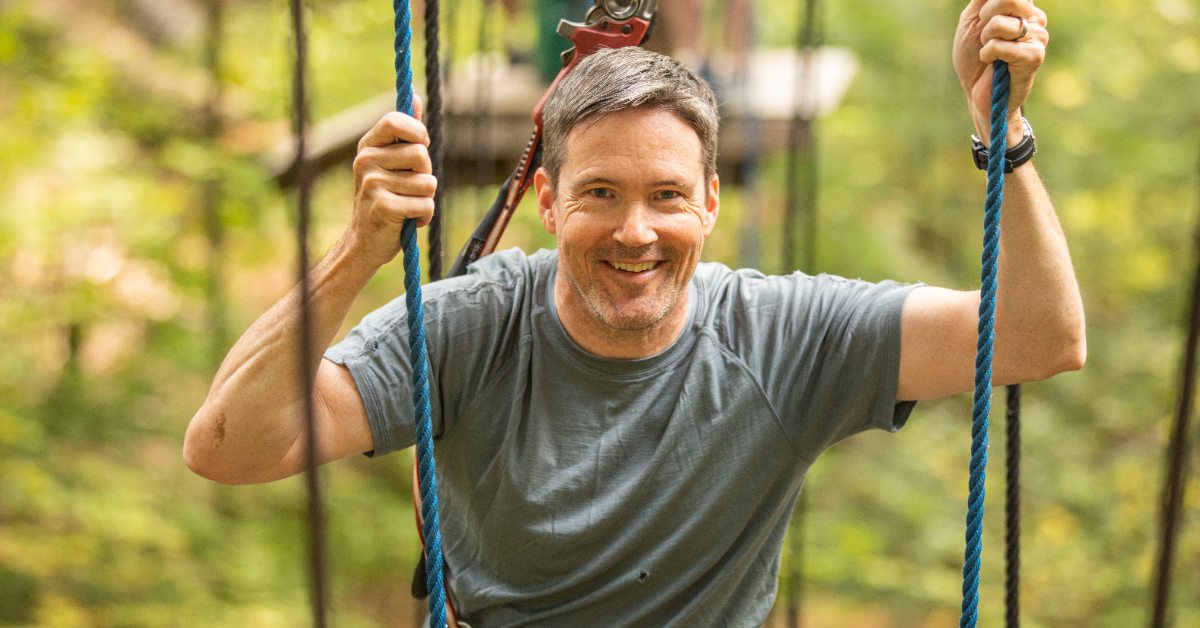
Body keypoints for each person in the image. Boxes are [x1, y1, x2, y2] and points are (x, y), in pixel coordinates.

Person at [184, 0, 1083, 624]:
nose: (635, 232)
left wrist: (1000, 133)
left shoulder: (781, 338)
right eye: (601, 193)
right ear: (545, 199)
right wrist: (357, 252)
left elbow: (1040, 338)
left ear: (712, 204)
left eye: (665, 196)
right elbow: (229, 448)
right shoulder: (471, 326)